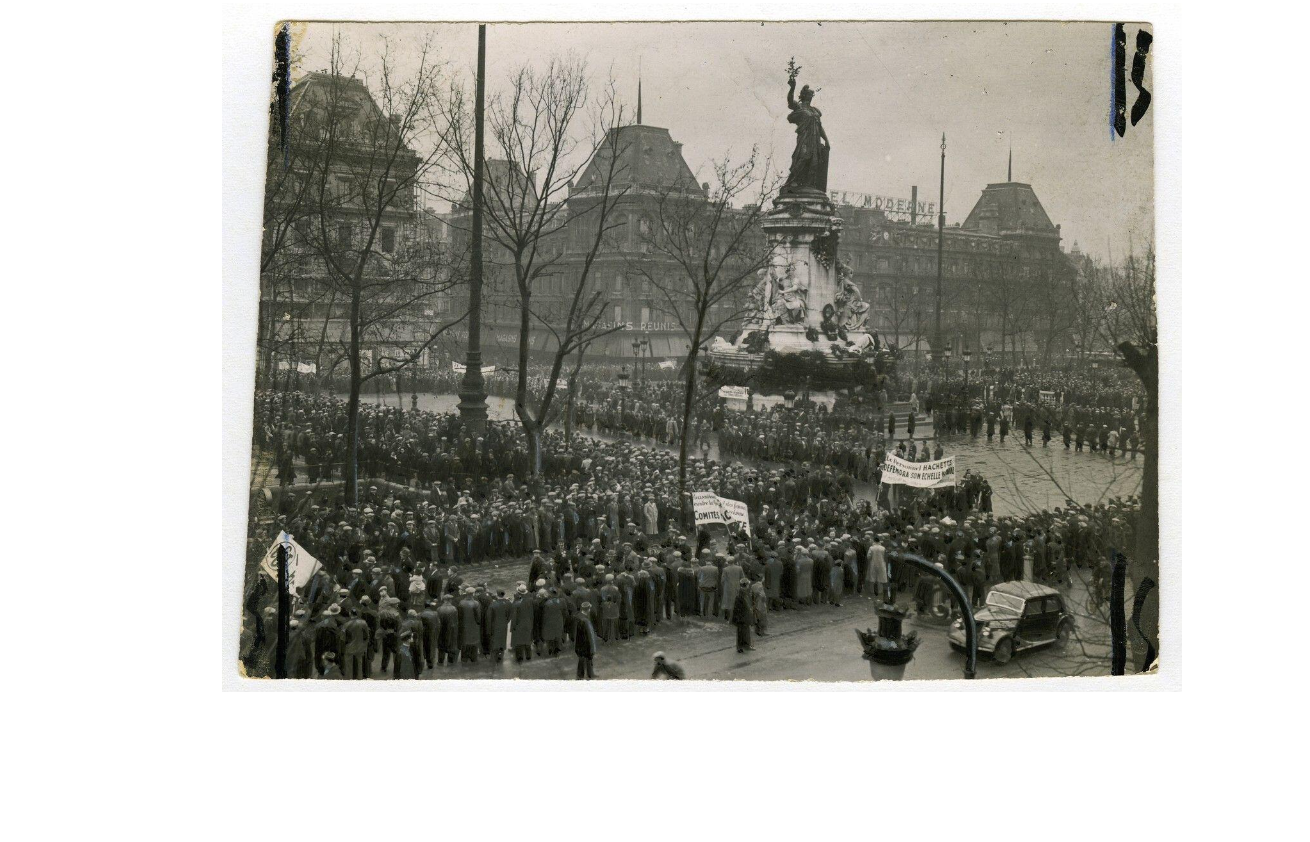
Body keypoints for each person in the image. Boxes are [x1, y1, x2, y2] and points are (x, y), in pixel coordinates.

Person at [575, 601, 599, 680]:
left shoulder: (578, 617)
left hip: (579, 643)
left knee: (582, 660)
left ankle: (581, 675)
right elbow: (590, 635)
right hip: (586, 644)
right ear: (588, 609)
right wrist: (592, 648)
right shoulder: (586, 620)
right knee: (588, 659)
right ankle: (588, 675)